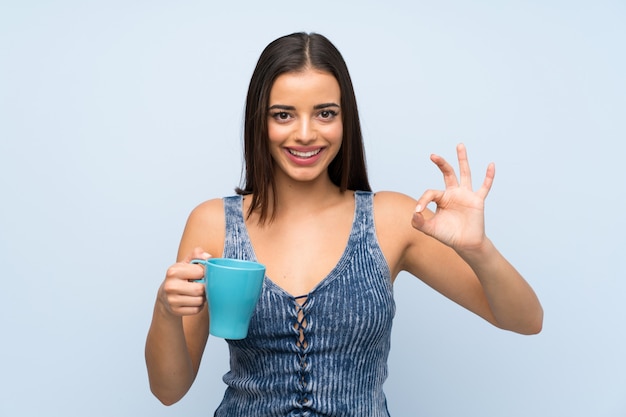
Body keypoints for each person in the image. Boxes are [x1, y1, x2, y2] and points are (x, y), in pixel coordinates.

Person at [145, 32, 543, 416]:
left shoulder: (392, 219)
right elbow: (168, 390)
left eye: (325, 113)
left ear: (344, 119)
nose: (305, 134)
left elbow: (525, 321)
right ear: (259, 123)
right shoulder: (214, 223)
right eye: (283, 115)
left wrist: (478, 249)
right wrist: (166, 309)